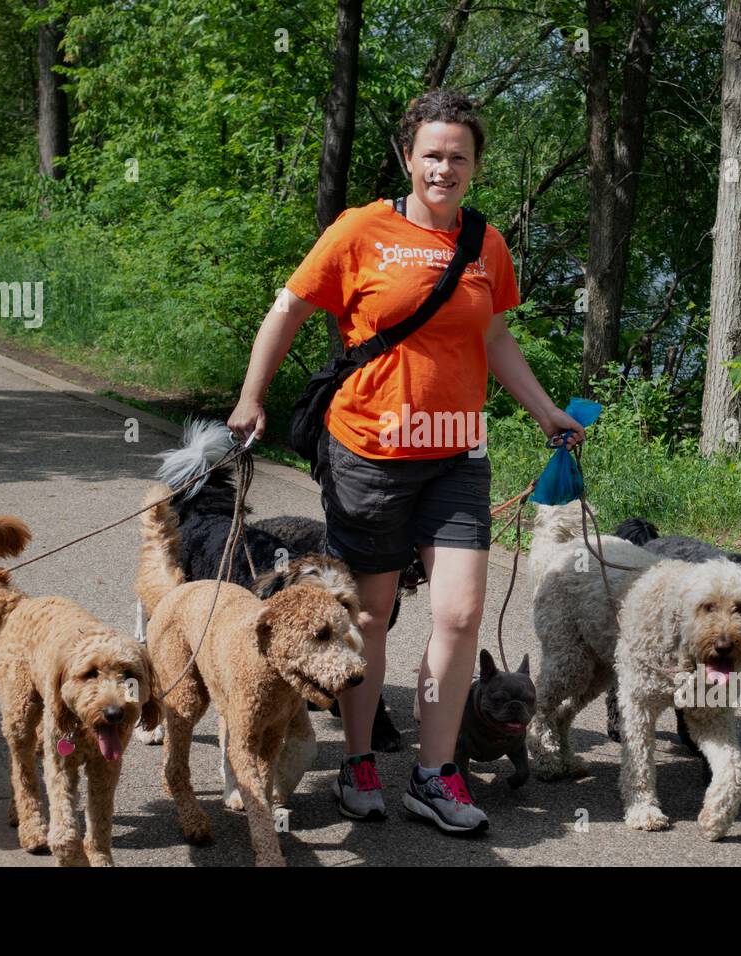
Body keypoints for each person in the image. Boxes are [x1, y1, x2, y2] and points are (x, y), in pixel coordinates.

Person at [227, 90, 585, 833]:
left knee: (459, 613)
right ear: (409, 158)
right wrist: (250, 397)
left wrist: (546, 408)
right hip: (370, 454)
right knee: (374, 614)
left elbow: (493, 339)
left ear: (474, 166)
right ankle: (359, 762)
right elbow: (289, 307)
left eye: (458, 156)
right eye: (432, 154)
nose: (444, 167)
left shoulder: (486, 243)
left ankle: (435, 771)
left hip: (459, 453)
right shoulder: (362, 229)